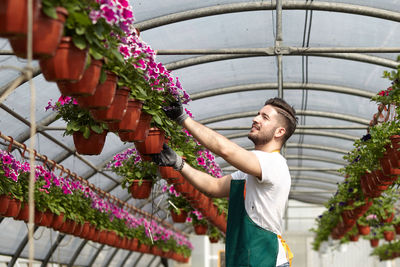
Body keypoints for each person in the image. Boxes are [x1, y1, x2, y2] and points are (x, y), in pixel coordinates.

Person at [153, 97, 297, 267]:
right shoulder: (250, 172)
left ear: (279, 132)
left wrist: (183, 118)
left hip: (266, 259)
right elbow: (213, 187)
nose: (255, 119)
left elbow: (226, 150)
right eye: (258, 114)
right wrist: (178, 163)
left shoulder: (274, 163)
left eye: (265, 117)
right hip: (249, 258)